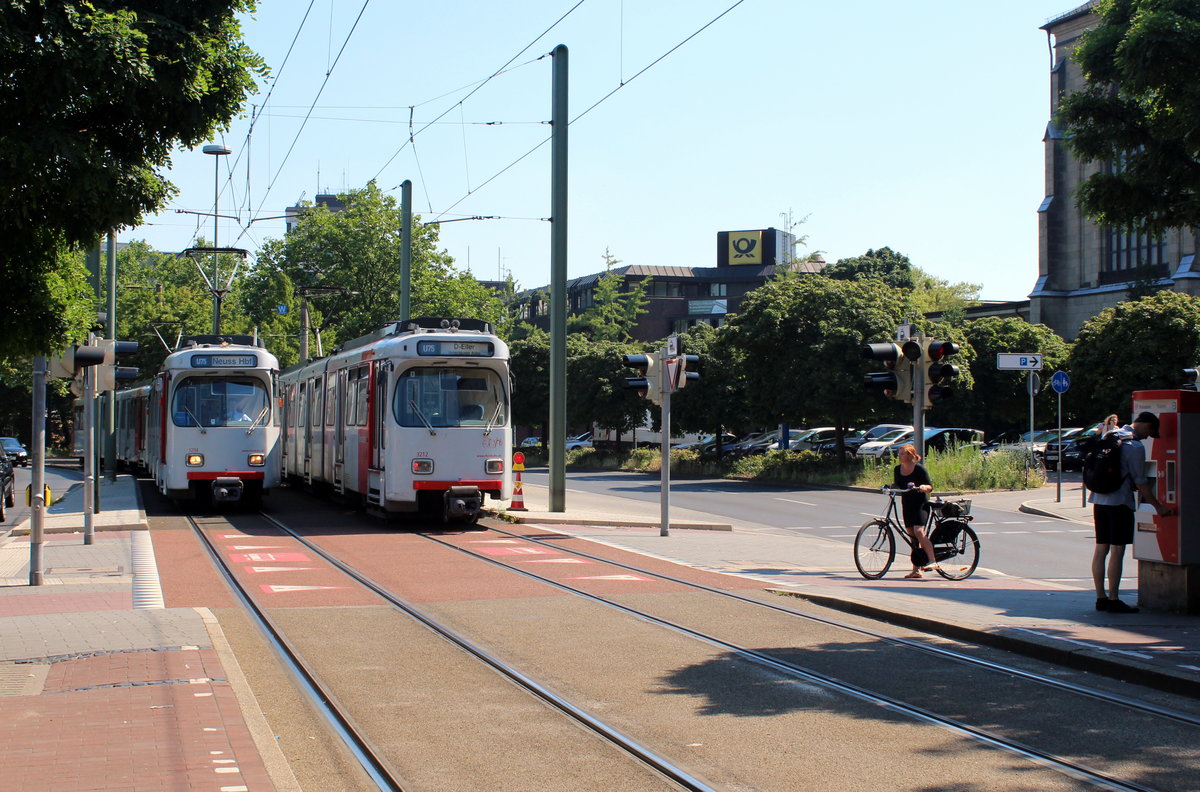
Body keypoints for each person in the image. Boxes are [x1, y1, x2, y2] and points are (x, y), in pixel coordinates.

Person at [1089, 411, 1173, 613]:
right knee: (1117, 550)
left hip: (1099, 499)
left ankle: (1100, 598)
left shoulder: (1110, 436)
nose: (1148, 438)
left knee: (1101, 549)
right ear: (1147, 426)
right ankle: (1114, 599)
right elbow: (1141, 482)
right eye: (1150, 433)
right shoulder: (1134, 446)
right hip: (1120, 502)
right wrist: (1158, 506)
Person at [893, 444, 938, 579]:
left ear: (910, 455)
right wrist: (891, 487)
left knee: (919, 531)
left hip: (920, 504)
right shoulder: (897, 469)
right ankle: (916, 570)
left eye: (902, 454)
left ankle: (932, 560)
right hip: (907, 504)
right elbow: (897, 484)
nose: (899, 456)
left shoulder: (919, 469)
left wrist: (924, 487)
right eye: (899, 454)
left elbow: (930, 487)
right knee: (912, 537)